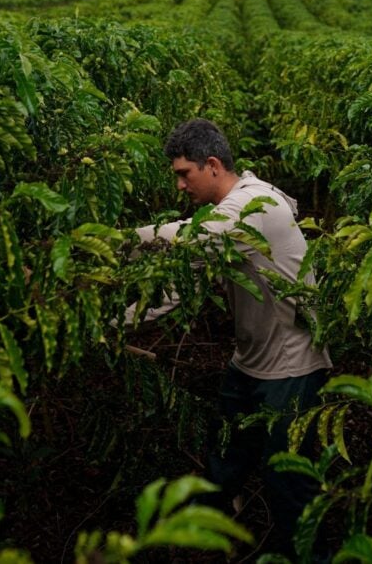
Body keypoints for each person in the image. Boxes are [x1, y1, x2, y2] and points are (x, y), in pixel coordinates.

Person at [125, 118, 332, 555]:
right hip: (250, 361)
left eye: (185, 173)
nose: (180, 185)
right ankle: (211, 536)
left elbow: (187, 238)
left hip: (291, 368)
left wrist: (119, 241)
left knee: (288, 483)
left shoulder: (257, 206)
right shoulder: (224, 217)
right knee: (225, 459)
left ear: (213, 165)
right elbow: (177, 287)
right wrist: (110, 325)